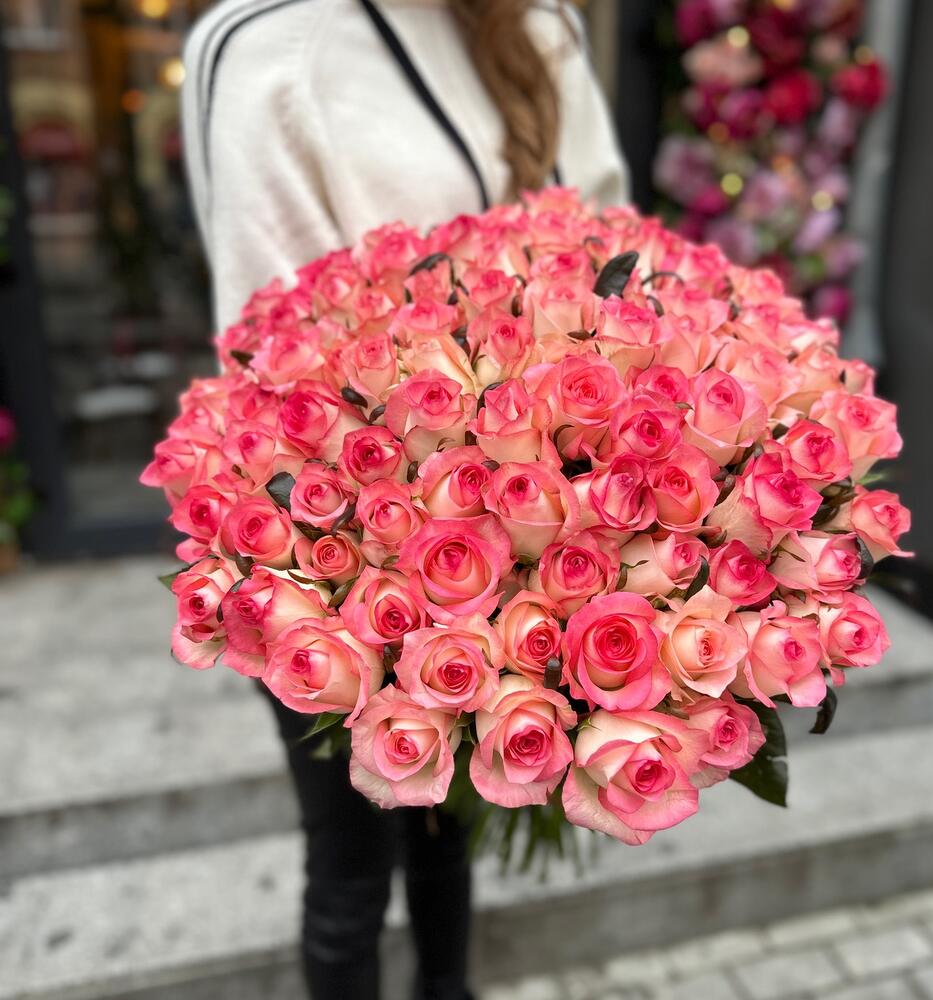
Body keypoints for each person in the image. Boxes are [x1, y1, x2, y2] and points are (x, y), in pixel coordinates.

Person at [180, 2, 628, 997]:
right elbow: (273, 351)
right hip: (335, 550)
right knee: (350, 863)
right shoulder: (266, 45)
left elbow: (619, 256)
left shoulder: (539, 22)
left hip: (526, 543)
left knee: (445, 833)